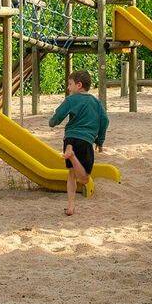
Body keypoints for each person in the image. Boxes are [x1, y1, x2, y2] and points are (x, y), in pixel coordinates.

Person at [48, 70, 109, 216]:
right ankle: (72, 156)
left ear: (79, 85)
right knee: (85, 178)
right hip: (86, 141)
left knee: (71, 175)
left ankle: (70, 206)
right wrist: (100, 140)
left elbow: (58, 116)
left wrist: (52, 122)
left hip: (70, 139)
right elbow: (105, 120)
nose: (68, 88)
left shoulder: (71, 100)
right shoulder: (96, 103)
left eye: (70, 84)